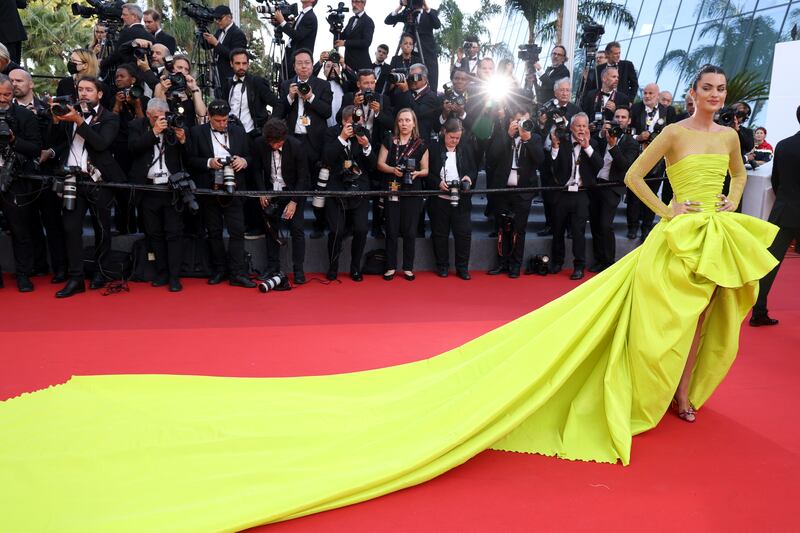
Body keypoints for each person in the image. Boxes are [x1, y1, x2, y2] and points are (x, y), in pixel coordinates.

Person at [0, 65, 784, 533]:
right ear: (694, 92)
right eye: (708, 87)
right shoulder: (678, 135)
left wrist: (722, 213)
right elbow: (637, 178)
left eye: (723, 90)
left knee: (717, 317)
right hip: (673, 239)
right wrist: (666, 213)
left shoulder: (732, 144)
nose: (716, 96)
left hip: (718, 238)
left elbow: (743, 191)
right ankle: (656, 391)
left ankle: (686, 394)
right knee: (658, 325)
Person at [44, 76, 127, 298]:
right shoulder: (67, 113)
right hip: (71, 179)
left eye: (89, 89)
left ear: (99, 94)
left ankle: (101, 272)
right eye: (80, 89)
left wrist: (79, 122)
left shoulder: (109, 118)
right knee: (70, 229)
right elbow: (53, 142)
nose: (83, 93)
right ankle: (76, 278)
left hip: (98, 180)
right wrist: (55, 120)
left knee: (102, 229)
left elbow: (100, 144)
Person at [187, 100, 256, 288]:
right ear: (209, 117)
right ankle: (219, 269)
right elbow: (190, 159)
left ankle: (238, 273)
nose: (223, 124)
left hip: (234, 187)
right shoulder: (196, 132)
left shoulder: (239, 132)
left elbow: (251, 157)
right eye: (218, 121)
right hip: (209, 189)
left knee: (237, 231)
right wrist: (209, 162)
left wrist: (243, 161)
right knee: (214, 231)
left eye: (225, 120)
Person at [128, 98, 188, 292]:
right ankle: (162, 272)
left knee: (174, 233)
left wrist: (182, 140)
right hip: (148, 188)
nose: (160, 120)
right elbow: (133, 148)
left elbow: (189, 155)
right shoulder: (136, 126)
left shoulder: (175, 124)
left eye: (162, 117)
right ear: (147, 115)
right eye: (155, 118)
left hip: (171, 189)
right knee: (154, 233)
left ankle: (174, 276)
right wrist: (154, 132)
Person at [276, 48, 333, 240]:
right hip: (293, 142)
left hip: (315, 142)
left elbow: (327, 112)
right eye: (299, 63)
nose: (303, 66)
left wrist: (310, 97)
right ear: (294, 66)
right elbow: (278, 114)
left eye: (307, 62)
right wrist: (290, 97)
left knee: (319, 186)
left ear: (312, 64)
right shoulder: (286, 85)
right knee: (295, 182)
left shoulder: (322, 85)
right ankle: (293, 222)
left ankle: (320, 222)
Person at [750, 107, 800, 326]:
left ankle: (758, 312)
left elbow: (776, 180)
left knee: (769, 263)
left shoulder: (783, 145)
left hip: (784, 210)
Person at [486, 108, 545, 278]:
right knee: (502, 228)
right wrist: (507, 136)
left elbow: (540, 160)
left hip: (523, 192)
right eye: (518, 120)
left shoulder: (535, 138)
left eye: (525, 121)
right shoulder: (503, 135)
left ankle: (515, 265)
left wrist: (527, 140)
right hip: (503, 190)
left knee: (519, 230)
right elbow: (491, 158)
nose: (521, 124)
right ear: (511, 120)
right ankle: (501, 263)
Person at [322, 105, 376, 281]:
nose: (357, 126)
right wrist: (342, 138)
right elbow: (326, 159)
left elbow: (373, 166)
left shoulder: (364, 134)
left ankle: (355, 268)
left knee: (361, 229)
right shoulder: (331, 134)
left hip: (359, 189)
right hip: (336, 188)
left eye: (359, 123)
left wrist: (367, 146)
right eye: (353, 123)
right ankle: (333, 266)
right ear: (345, 122)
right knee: (336, 231)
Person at [376, 107, 429, 280]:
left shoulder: (421, 144)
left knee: (410, 230)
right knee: (391, 229)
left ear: (414, 123)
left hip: (412, 191)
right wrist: (393, 170)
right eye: (401, 120)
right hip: (392, 187)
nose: (404, 123)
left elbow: (426, 170)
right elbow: (380, 164)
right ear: (397, 123)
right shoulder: (389, 140)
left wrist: (417, 173)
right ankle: (390, 266)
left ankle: (408, 267)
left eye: (407, 120)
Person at [548, 113, 602, 280]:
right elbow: (551, 167)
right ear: (571, 128)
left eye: (584, 126)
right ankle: (557, 262)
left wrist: (586, 147)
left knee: (578, 232)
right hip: (562, 194)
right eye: (578, 126)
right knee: (558, 230)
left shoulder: (592, 143)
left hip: (581, 194)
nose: (581, 129)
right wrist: (555, 146)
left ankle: (579, 266)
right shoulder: (562, 141)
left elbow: (599, 165)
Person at [0, 74, 41, 292]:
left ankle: (24, 275)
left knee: (20, 230)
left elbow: (35, 148)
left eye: (7, 94)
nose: (3, 99)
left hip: (16, 179)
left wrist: (15, 140)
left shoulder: (24, 116)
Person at [589, 106, 638, 272]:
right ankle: (598, 259)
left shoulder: (631, 143)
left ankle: (609, 262)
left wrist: (613, 146)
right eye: (617, 116)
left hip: (613, 188)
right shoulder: (604, 136)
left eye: (624, 117)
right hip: (596, 185)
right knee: (595, 224)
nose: (620, 119)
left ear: (629, 121)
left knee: (605, 225)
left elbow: (625, 165)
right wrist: (601, 134)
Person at [427, 118, 477, 280]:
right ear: (444, 133)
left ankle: (462, 267)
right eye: (451, 137)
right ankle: (442, 266)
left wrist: (468, 178)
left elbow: (473, 169)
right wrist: (437, 183)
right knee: (440, 234)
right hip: (439, 199)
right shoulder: (434, 148)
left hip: (461, 199)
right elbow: (427, 173)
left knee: (463, 234)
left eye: (457, 138)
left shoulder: (466, 148)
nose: (454, 141)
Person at [627, 82, 677, 238]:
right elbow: (628, 132)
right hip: (638, 157)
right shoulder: (635, 108)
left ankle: (646, 228)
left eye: (650, 93)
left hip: (658, 161)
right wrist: (638, 137)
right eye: (645, 93)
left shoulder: (668, 111)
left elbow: (673, 133)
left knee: (652, 194)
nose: (647, 96)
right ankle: (632, 228)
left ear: (658, 95)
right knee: (635, 194)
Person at [222, 48, 280, 137]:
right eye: (237, 63)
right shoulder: (227, 84)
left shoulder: (257, 82)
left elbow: (277, 104)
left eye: (244, 63)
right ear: (231, 64)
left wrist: (269, 125)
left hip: (253, 135)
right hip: (231, 134)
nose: (241, 67)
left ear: (248, 64)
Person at [385, 0, 441, 91]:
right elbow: (388, 21)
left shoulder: (430, 12)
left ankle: (430, 99)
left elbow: (437, 25)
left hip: (428, 54)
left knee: (430, 80)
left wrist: (426, 7)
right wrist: (400, 6)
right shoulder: (407, 13)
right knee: (412, 79)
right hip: (411, 55)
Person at [202, 5, 247, 90]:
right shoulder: (219, 31)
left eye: (220, 18)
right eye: (216, 19)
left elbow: (235, 56)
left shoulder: (238, 33)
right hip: (217, 77)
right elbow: (207, 46)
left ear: (229, 17)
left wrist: (216, 43)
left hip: (230, 78)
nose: (218, 21)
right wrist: (202, 35)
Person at [100, 3, 155, 71]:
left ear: (134, 16)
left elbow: (117, 55)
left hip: (127, 75)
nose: (121, 17)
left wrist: (100, 63)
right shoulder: (151, 36)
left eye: (124, 14)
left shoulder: (127, 32)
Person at [276, 0, 317, 80]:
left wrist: (282, 22)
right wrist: (280, 22)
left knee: (292, 85)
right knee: (283, 84)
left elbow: (297, 35)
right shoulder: (302, 15)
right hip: (290, 55)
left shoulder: (310, 17)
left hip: (299, 60)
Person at [335, 0, 374, 73]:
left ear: (364, 3)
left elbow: (366, 42)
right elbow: (343, 35)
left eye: (357, 2)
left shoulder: (368, 21)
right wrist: (334, 28)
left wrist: (345, 43)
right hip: (348, 63)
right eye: (352, 2)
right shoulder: (351, 19)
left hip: (361, 65)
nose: (354, 4)